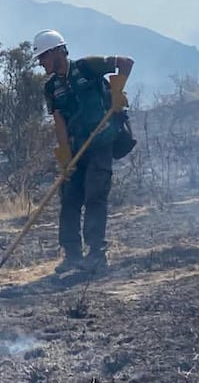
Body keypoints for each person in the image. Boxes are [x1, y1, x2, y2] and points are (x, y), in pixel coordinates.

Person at [33, 29, 134, 273]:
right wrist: (65, 158)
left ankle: (97, 254)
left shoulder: (88, 67)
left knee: (94, 196)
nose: (40, 63)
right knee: (69, 199)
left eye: (43, 57)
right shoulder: (52, 88)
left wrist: (118, 91)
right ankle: (72, 256)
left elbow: (125, 63)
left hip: (101, 142)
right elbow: (59, 121)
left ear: (57, 52)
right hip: (77, 147)